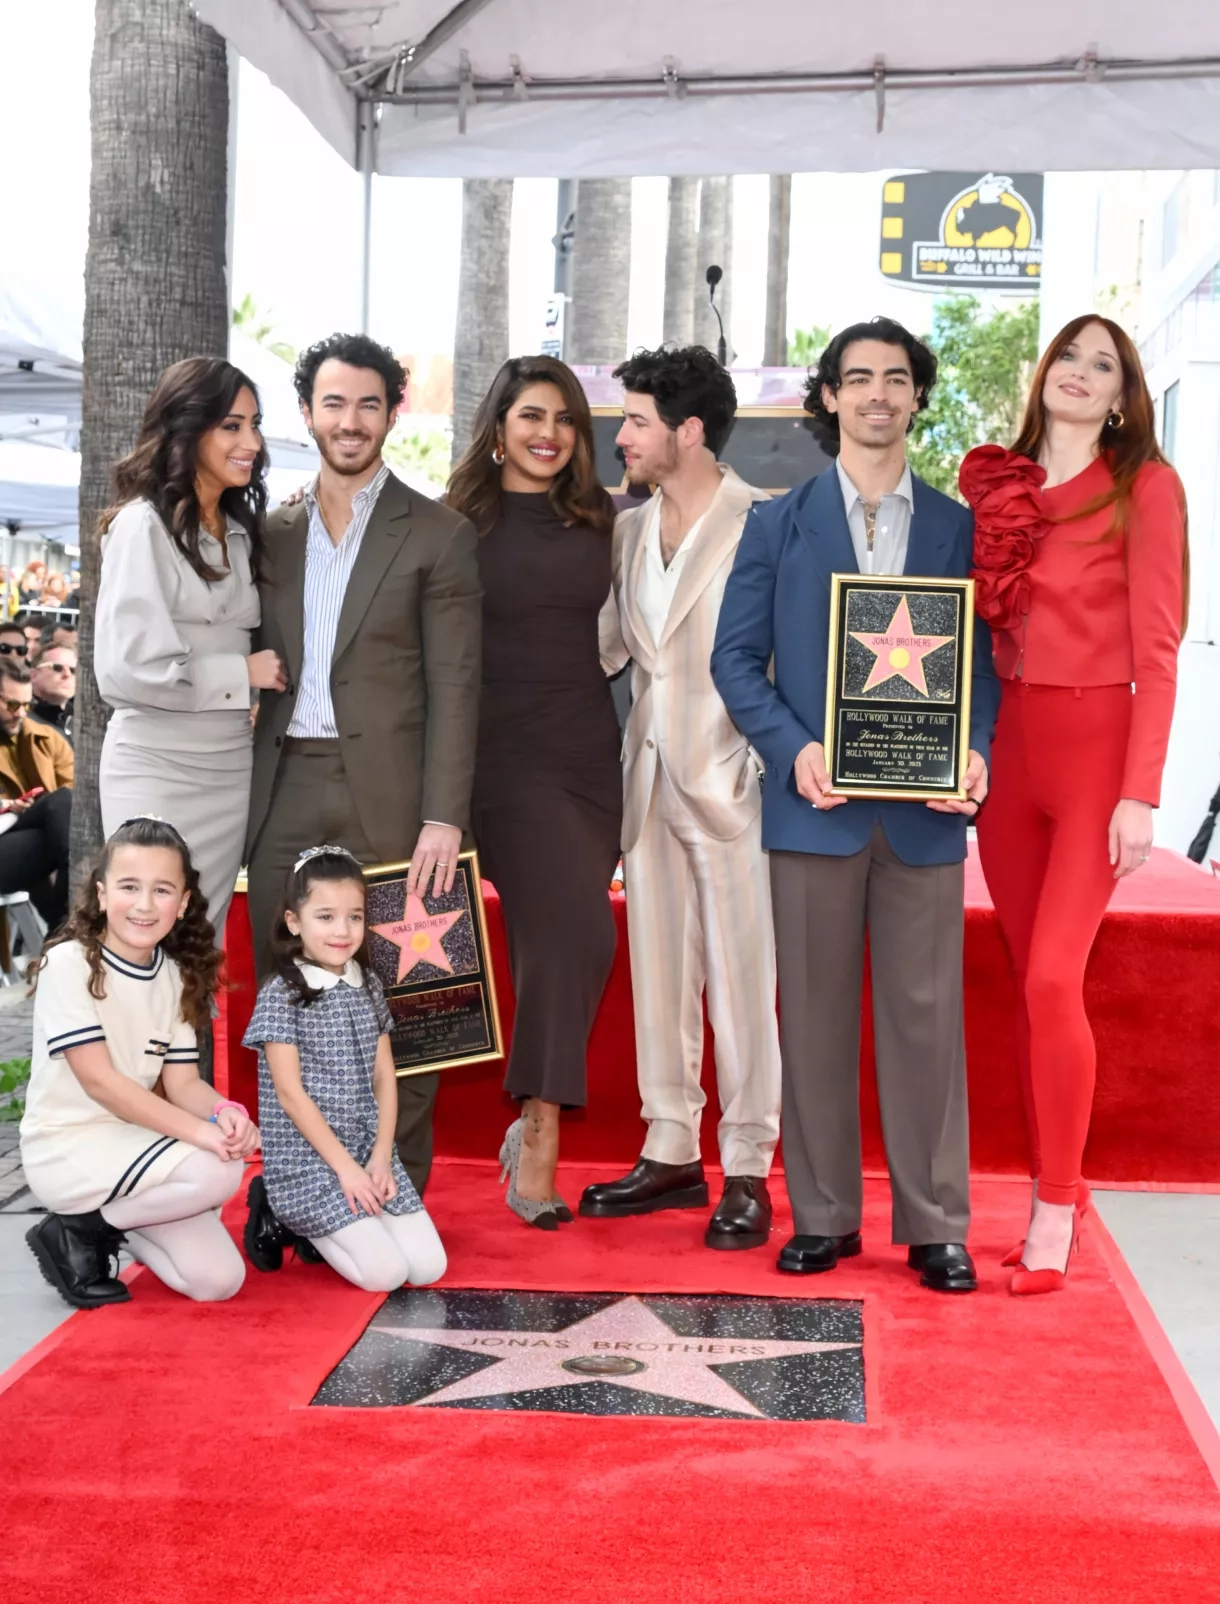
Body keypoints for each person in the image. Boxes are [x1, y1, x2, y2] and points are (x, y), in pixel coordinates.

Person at [711, 317, 1000, 1293]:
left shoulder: (957, 527)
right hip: (813, 809)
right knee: (814, 1019)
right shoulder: (775, 523)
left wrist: (972, 749)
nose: (878, 393)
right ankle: (823, 1215)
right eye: (859, 377)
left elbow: (981, 667)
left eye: (896, 377)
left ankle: (936, 1223)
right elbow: (733, 660)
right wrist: (792, 751)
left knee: (928, 1021)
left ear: (916, 396)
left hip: (924, 816)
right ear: (829, 396)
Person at [959, 315, 1186, 1295]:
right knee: (1027, 980)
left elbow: (1159, 651)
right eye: (1069, 356)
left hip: (1096, 754)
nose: (1081, 374)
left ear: (1124, 394)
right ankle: (1051, 1189)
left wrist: (1139, 793)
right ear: (1043, 370)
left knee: (1054, 977)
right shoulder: (998, 485)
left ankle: (1056, 1203)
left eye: (1104, 365)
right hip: (1008, 752)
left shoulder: (1146, 486)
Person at [246, 332, 480, 1197]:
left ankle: (397, 1188)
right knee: (288, 1000)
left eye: (368, 404)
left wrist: (443, 816)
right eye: (334, 403)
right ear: (307, 413)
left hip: (397, 801)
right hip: (281, 790)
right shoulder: (267, 535)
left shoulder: (440, 534)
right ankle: (299, 1192)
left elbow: (458, 686)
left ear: (393, 413)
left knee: (410, 1002)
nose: (351, 421)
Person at [577, 347, 782, 1250]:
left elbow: (791, 658)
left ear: (687, 430)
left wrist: (765, 764)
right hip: (647, 780)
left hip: (735, 782)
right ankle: (669, 1148)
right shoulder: (626, 533)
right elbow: (604, 650)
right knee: (658, 972)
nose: (620, 437)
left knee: (742, 985)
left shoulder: (765, 522)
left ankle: (748, 1164)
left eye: (636, 421)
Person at [446, 356, 621, 1229]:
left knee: (560, 939)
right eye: (530, 416)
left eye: (563, 419)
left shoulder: (602, 519)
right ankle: (541, 1125)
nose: (548, 434)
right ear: (499, 426)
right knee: (581, 933)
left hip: (589, 755)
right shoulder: (455, 524)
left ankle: (534, 1116)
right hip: (502, 760)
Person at [20, 818, 257, 1309]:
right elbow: (101, 1083)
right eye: (129, 887)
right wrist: (201, 1136)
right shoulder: (70, 963)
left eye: (162, 890)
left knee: (217, 1281)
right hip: (68, 1147)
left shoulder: (174, 976)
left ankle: (103, 1225)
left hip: (131, 1151)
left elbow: (184, 1085)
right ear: (102, 894)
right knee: (217, 1170)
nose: (145, 904)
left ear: (183, 903)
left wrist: (223, 1113)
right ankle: (79, 1230)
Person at [93, 357, 280, 941]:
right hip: (155, 765)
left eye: (255, 424)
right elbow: (126, 671)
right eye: (232, 426)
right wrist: (240, 673)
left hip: (229, 769)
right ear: (187, 428)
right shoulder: (140, 526)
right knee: (146, 936)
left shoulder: (242, 530)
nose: (252, 442)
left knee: (200, 943)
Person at [242, 847, 447, 1291]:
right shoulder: (281, 993)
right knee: (385, 1274)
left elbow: (384, 1077)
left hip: (366, 1150)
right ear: (294, 922)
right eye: (326, 917)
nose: (342, 930)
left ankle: (341, 1229)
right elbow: (289, 1094)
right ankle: (279, 1207)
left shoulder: (367, 983)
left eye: (354, 916)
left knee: (428, 1268)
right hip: (310, 1162)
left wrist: (381, 1157)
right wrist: (346, 1170)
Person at [0, 662, 73, 930]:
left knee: (62, 806)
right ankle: (71, 921)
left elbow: (73, 796)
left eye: (26, 705)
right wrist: (7, 805)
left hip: (36, 843)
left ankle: (65, 926)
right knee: (60, 806)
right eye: (12, 705)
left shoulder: (48, 739)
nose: (20, 713)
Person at [27, 642, 75, 743]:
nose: (67, 674)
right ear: (33, 675)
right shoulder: (20, 716)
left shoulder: (83, 721)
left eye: (73, 670)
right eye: (57, 668)